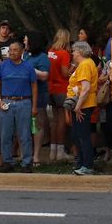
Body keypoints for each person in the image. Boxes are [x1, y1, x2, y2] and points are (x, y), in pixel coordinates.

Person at [0, 40, 37, 173]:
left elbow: (34, 87)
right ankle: (7, 162)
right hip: (6, 101)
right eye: (10, 50)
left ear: (22, 51)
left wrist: (34, 106)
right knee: (5, 134)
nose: (11, 52)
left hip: (24, 102)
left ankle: (27, 162)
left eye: (15, 50)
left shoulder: (28, 67)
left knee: (24, 134)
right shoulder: (3, 66)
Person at [68, 40, 99, 176]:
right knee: (78, 135)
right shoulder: (86, 63)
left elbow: (85, 89)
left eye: (74, 51)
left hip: (83, 105)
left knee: (83, 136)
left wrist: (78, 107)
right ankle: (81, 163)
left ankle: (87, 165)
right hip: (83, 104)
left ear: (80, 51)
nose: (73, 53)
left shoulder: (85, 65)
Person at [23, 31, 50, 168]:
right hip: (25, 94)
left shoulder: (43, 57)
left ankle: (36, 156)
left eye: (26, 40)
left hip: (39, 95)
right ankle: (26, 154)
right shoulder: (26, 55)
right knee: (25, 126)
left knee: (37, 125)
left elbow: (44, 75)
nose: (24, 42)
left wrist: (28, 68)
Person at [46, 29, 72, 162]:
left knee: (54, 121)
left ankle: (52, 150)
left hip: (50, 88)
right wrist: (73, 69)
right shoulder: (64, 53)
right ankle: (60, 151)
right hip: (62, 88)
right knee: (62, 120)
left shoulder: (50, 51)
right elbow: (64, 72)